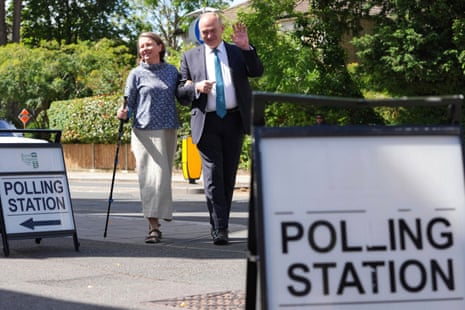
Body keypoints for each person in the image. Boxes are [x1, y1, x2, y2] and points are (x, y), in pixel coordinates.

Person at [178, 12, 264, 245]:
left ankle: (221, 223)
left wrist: (247, 48)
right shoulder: (190, 57)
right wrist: (196, 87)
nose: (208, 35)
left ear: (222, 28)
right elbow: (181, 92)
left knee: (228, 174)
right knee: (214, 173)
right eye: (204, 32)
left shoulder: (237, 51)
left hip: (235, 121)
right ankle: (219, 227)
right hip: (207, 121)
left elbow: (257, 71)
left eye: (212, 31)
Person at [116, 32, 189, 244]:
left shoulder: (171, 71)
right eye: (141, 47)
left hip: (167, 129)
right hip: (144, 131)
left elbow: (182, 94)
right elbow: (128, 103)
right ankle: (153, 226)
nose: (144, 49)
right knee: (150, 179)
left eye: (149, 45)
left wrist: (194, 86)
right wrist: (122, 113)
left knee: (163, 178)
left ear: (160, 47)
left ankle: (160, 214)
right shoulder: (136, 74)